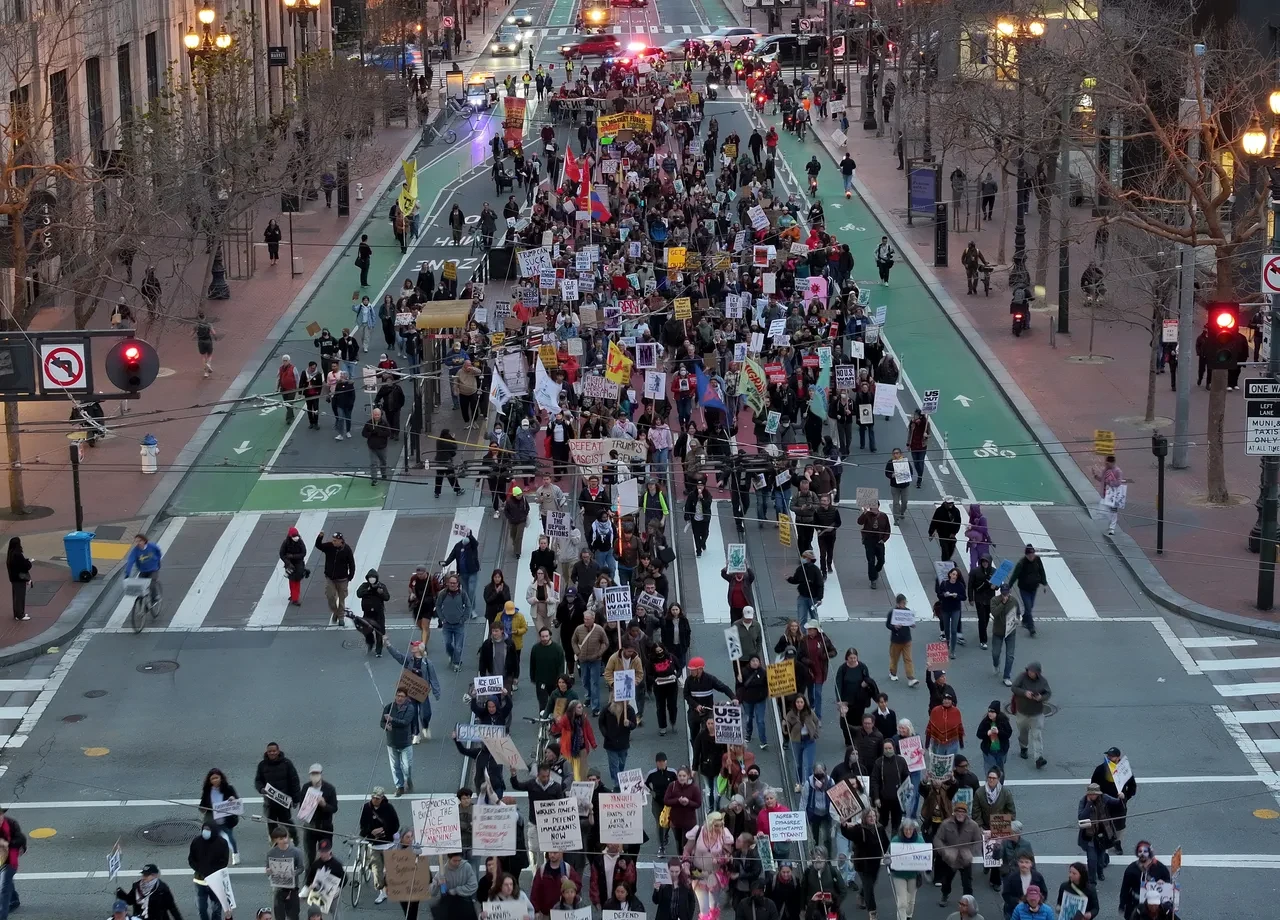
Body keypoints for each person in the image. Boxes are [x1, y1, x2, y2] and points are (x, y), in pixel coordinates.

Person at [1090, 747, 1137, 854]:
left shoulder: (1124, 770)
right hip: (1103, 803)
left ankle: (1117, 842)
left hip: (1118, 803)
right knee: (1103, 825)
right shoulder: (1100, 769)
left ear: (1118, 758)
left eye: (1112, 756)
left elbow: (1132, 787)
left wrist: (1125, 796)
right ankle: (1104, 849)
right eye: (1108, 756)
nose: (1109, 758)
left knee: (1120, 825)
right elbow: (1093, 785)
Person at [934, 802, 982, 907]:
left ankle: (968, 903)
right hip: (950, 860)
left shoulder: (973, 825)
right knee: (946, 881)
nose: (960, 814)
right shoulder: (946, 824)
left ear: (966, 813)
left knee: (967, 884)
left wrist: (971, 852)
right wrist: (945, 851)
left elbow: (978, 842)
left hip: (965, 859)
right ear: (954, 812)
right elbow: (937, 840)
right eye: (958, 811)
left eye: (963, 812)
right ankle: (945, 895)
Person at [188, 819, 231, 920]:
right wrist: (200, 869)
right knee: (201, 908)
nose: (205, 831)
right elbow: (191, 859)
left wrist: (211, 872)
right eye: (204, 829)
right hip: (200, 881)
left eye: (208, 829)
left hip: (216, 881)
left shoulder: (222, 843)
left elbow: (224, 862)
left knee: (216, 908)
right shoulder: (196, 842)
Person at [1011, 663, 1051, 768]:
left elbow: (1048, 693)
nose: (1030, 673)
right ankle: (1023, 747)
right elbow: (1014, 688)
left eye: (1032, 672)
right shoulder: (1022, 677)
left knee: (1037, 735)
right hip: (1022, 712)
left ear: (1037, 673)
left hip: (1036, 713)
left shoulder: (1043, 681)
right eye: (1029, 671)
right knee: (1023, 732)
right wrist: (1025, 693)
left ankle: (1039, 758)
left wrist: (1040, 698)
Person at [1117, 843, 1171, 920]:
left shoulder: (1160, 868)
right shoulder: (1131, 869)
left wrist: (1164, 882)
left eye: (1145, 851)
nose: (1142, 854)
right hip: (1135, 903)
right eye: (1140, 851)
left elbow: (1168, 882)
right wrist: (1122, 904)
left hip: (1153, 905)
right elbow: (1125, 888)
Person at [314, 530, 356, 627]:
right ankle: (336, 612)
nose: (333, 542)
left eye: (335, 541)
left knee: (342, 599)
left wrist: (350, 576)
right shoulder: (329, 546)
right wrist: (320, 537)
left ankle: (340, 617)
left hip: (343, 579)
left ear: (340, 541)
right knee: (330, 596)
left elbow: (351, 563)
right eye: (333, 540)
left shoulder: (347, 549)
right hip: (330, 578)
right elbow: (318, 546)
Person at [199, 768, 241, 864]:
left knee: (230, 838)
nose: (215, 780)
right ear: (209, 781)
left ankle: (235, 853)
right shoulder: (207, 791)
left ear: (221, 778)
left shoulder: (228, 788)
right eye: (213, 779)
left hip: (226, 820)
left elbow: (236, 800)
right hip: (213, 821)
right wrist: (204, 809)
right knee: (212, 840)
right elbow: (202, 805)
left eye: (217, 778)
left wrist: (232, 798)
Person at [382, 688, 418, 794]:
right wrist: (386, 726)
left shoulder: (410, 708)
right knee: (395, 766)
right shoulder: (389, 707)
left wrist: (392, 719)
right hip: (392, 742)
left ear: (406, 698)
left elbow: (405, 722)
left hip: (405, 742)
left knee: (407, 766)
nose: (399, 698)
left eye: (402, 696)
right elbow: (381, 722)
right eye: (398, 695)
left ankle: (408, 779)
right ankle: (399, 786)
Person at [265, 825, 305, 919]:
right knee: (279, 916)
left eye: (285, 837)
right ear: (276, 840)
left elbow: (301, 868)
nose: (285, 840)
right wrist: (268, 872)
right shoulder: (271, 853)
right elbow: (268, 869)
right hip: (278, 890)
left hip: (292, 889)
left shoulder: (296, 852)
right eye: (281, 838)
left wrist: (294, 872)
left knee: (294, 916)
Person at [116, 863, 183, 920]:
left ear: (154, 875)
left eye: (146, 875)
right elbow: (130, 901)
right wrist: (120, 893)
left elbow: (172, 907)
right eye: (143, 874)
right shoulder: (136, 886)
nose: (143, 877)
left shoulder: (162, 889)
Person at [889, 819, 926, 920]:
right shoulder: (895, 840)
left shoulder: (920, 840)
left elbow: (925, 855)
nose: (908, 832)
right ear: (902, 829)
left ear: (914, 830)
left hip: (913, 875)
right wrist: (888, 859)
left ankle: (908, 916)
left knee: (911, 901)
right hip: (899, 875)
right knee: (902, 902)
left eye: (910, 829)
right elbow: (889, 854)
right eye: (906, 829)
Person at [1010, 546, 1048, 636]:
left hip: (1034, 588)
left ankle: (1024, 619)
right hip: (1024, 589)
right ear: (1026, 555)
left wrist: (1044, 583)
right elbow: (1015, 575)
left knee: (1030, 607)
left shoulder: (1037, 560)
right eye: (1029, 555)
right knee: (1028, 606)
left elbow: (1042, 571)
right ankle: (1031, 628)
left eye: (1032, 554)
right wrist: (1009, 586)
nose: (1031, 556)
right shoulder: (1021, 563)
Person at [122, 532, 163, 608]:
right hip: (143, 571)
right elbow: (130, 562)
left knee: (152, 583)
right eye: (136, 541)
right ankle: (143, 605)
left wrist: (158, 560)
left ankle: (155, 597)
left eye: (139, 541)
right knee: (140, 588)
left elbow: (158, 552)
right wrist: (127, 573)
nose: (138, 543)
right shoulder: (135, 551)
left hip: (153, 569)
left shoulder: (152, 546)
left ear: (144, 541)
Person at [990, 585, 1019, 685]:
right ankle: (996, 664)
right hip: (998, 631)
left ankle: (1007, 676)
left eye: (1007, 592)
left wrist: (1017, 620)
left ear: (1009, 591)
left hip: (1010, 632)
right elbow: (994, 613)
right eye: (1003, 592)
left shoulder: (1014, 601)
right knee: (995, 653)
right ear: (1001, 592)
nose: (1005, 594)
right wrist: (1003, 603)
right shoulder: (994, 600)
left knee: (1010, 655)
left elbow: (1018, 613)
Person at [976, 701, 1014, 777]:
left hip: (1001, 750)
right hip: (989, 751)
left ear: (997, 713)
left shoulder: (1003, 721)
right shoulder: (985, 722)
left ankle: (999, 786)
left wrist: (998, 732)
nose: (990, 713)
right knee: (990, 771)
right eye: (989, 711)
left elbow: (1008, 734)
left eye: (992, 712)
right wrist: (987, 733)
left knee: (1000, 771)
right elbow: (979, 734)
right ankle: (990, 786)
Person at [1093, 454, 1125, 536]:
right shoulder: (1105, 470)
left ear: (1112, 463)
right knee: (1103, 510)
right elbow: (1102, 479)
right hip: (1106, 494)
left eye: (1107, 463)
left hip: (1114, 495)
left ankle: (1112, 528)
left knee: (1113, 511)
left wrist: (1110, 483)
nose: (1106, 465)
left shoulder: (1118, 471)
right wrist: (1095, 476)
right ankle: (1111, 524)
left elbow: (1119, 482)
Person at [929, 497, 962, 562]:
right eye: (949, 503)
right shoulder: (939, 511)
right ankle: (945, 562)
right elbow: (934, 522)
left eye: (952, 503)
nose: (950, 505)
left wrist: (954, 532)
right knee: (945, 549)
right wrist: (931, 532)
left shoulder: (956, 511)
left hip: (951, 535)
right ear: (945, 503)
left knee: (951, 548)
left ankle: (947, 560)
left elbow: (958, 522)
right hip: (942, 534)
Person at [6, 538, 31, 622]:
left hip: (13, 578)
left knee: (16, 597)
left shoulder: (10, 554)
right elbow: (24, 566)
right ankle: (20, 615)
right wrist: (29, 563)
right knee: (20, 597)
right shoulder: (18, 555)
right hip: (19, 578)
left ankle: (17, 614)